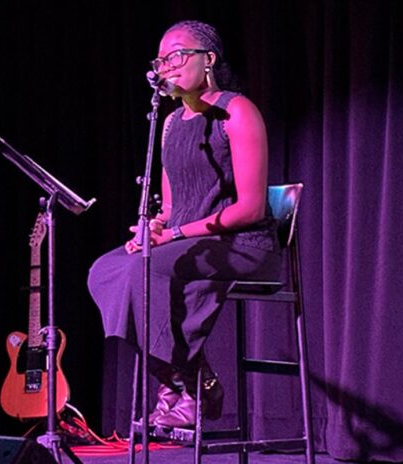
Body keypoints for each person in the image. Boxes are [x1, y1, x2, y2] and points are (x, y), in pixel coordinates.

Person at [87, 20, 281, 429]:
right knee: (108, 270)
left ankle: (187, 389)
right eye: (161, 60)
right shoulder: (171, 123)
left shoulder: (237, 110)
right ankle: (185, 381)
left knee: (151, 268)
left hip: (243, 243)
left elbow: (250, 208)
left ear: (208, 59)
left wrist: (174, 235)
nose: (166, 67)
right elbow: (173, 205)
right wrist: (154, 229)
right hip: (189, 243)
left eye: (177, 55)